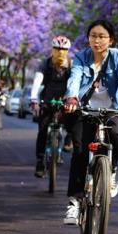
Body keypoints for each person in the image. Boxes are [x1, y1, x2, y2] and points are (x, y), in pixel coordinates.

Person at [63, 19, 118, 225]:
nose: (97, 40)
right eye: (93, 36)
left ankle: (112, 172)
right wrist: (72, 97)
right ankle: (74, 202)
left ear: (111, 40)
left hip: (112, 108)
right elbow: (74, 78)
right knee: (81, 152)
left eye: (102, 36)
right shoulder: (81, 57)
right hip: (84, 110)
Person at [30, 35, 72, 178]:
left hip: (65, 101)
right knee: (42, 130)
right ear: (52, 49)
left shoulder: (71, 65)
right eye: (57, 49)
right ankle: (40, 161)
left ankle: (68, 140)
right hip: (47, 101)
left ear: (68, 51)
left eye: (63, 49)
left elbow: (75, 83)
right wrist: (34, 99)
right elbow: (37, 81)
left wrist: (73, 99)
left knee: (74, 120)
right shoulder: (45, 64)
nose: (60, 52)